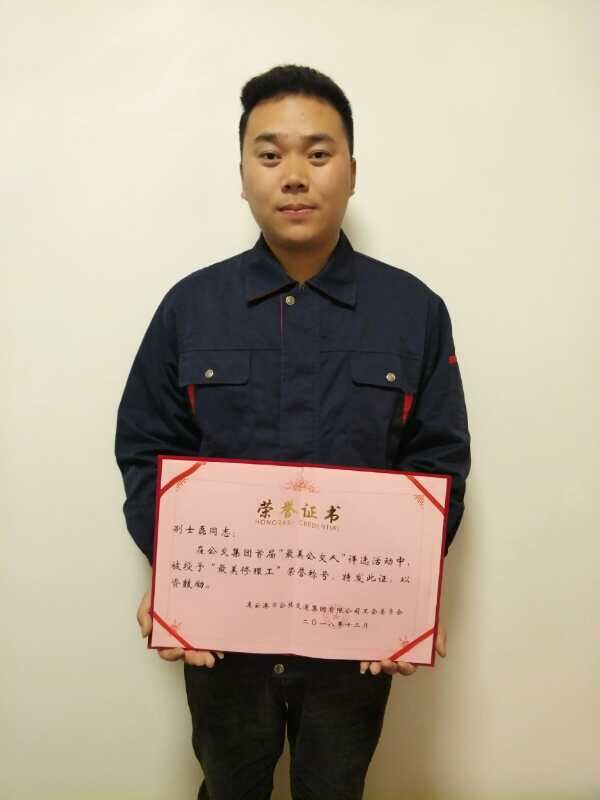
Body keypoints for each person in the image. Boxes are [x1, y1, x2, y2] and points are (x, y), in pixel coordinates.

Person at [115, 63, 471, 800]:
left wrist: (406, 596)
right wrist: (175, 571)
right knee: (229, 786)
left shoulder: (414, 312)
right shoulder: (190, 307)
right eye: (271, 154)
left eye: (318, 153)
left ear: (352, 171)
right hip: (222, 637)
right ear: (243, 174)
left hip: (353, 637)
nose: (295, 176)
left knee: (335, 789)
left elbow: (438, 461)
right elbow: (147, 448)